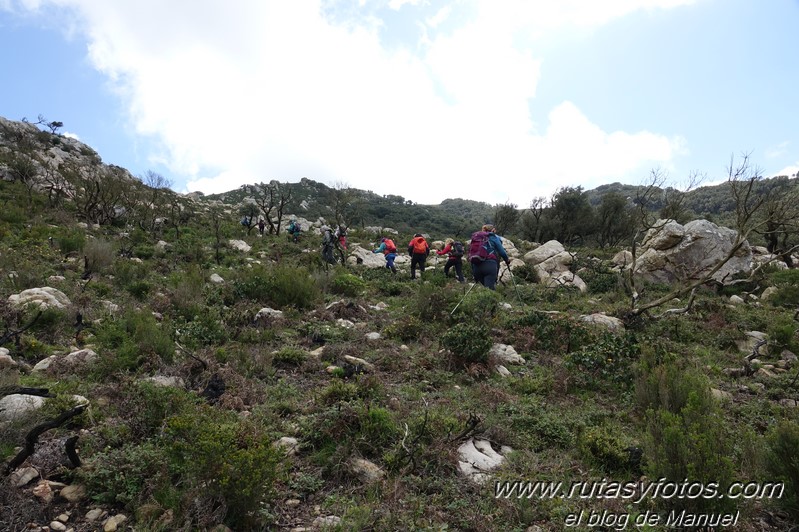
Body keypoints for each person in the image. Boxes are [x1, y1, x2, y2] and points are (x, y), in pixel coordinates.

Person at [468, 224, 510, 290]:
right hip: (489, 265)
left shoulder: (477, 238)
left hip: (476, 266)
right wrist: (507, 260)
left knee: (486, 289)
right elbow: (502, 252)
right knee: (489, 290)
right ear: (493, 230)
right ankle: (493, 299)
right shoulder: (493, 237)